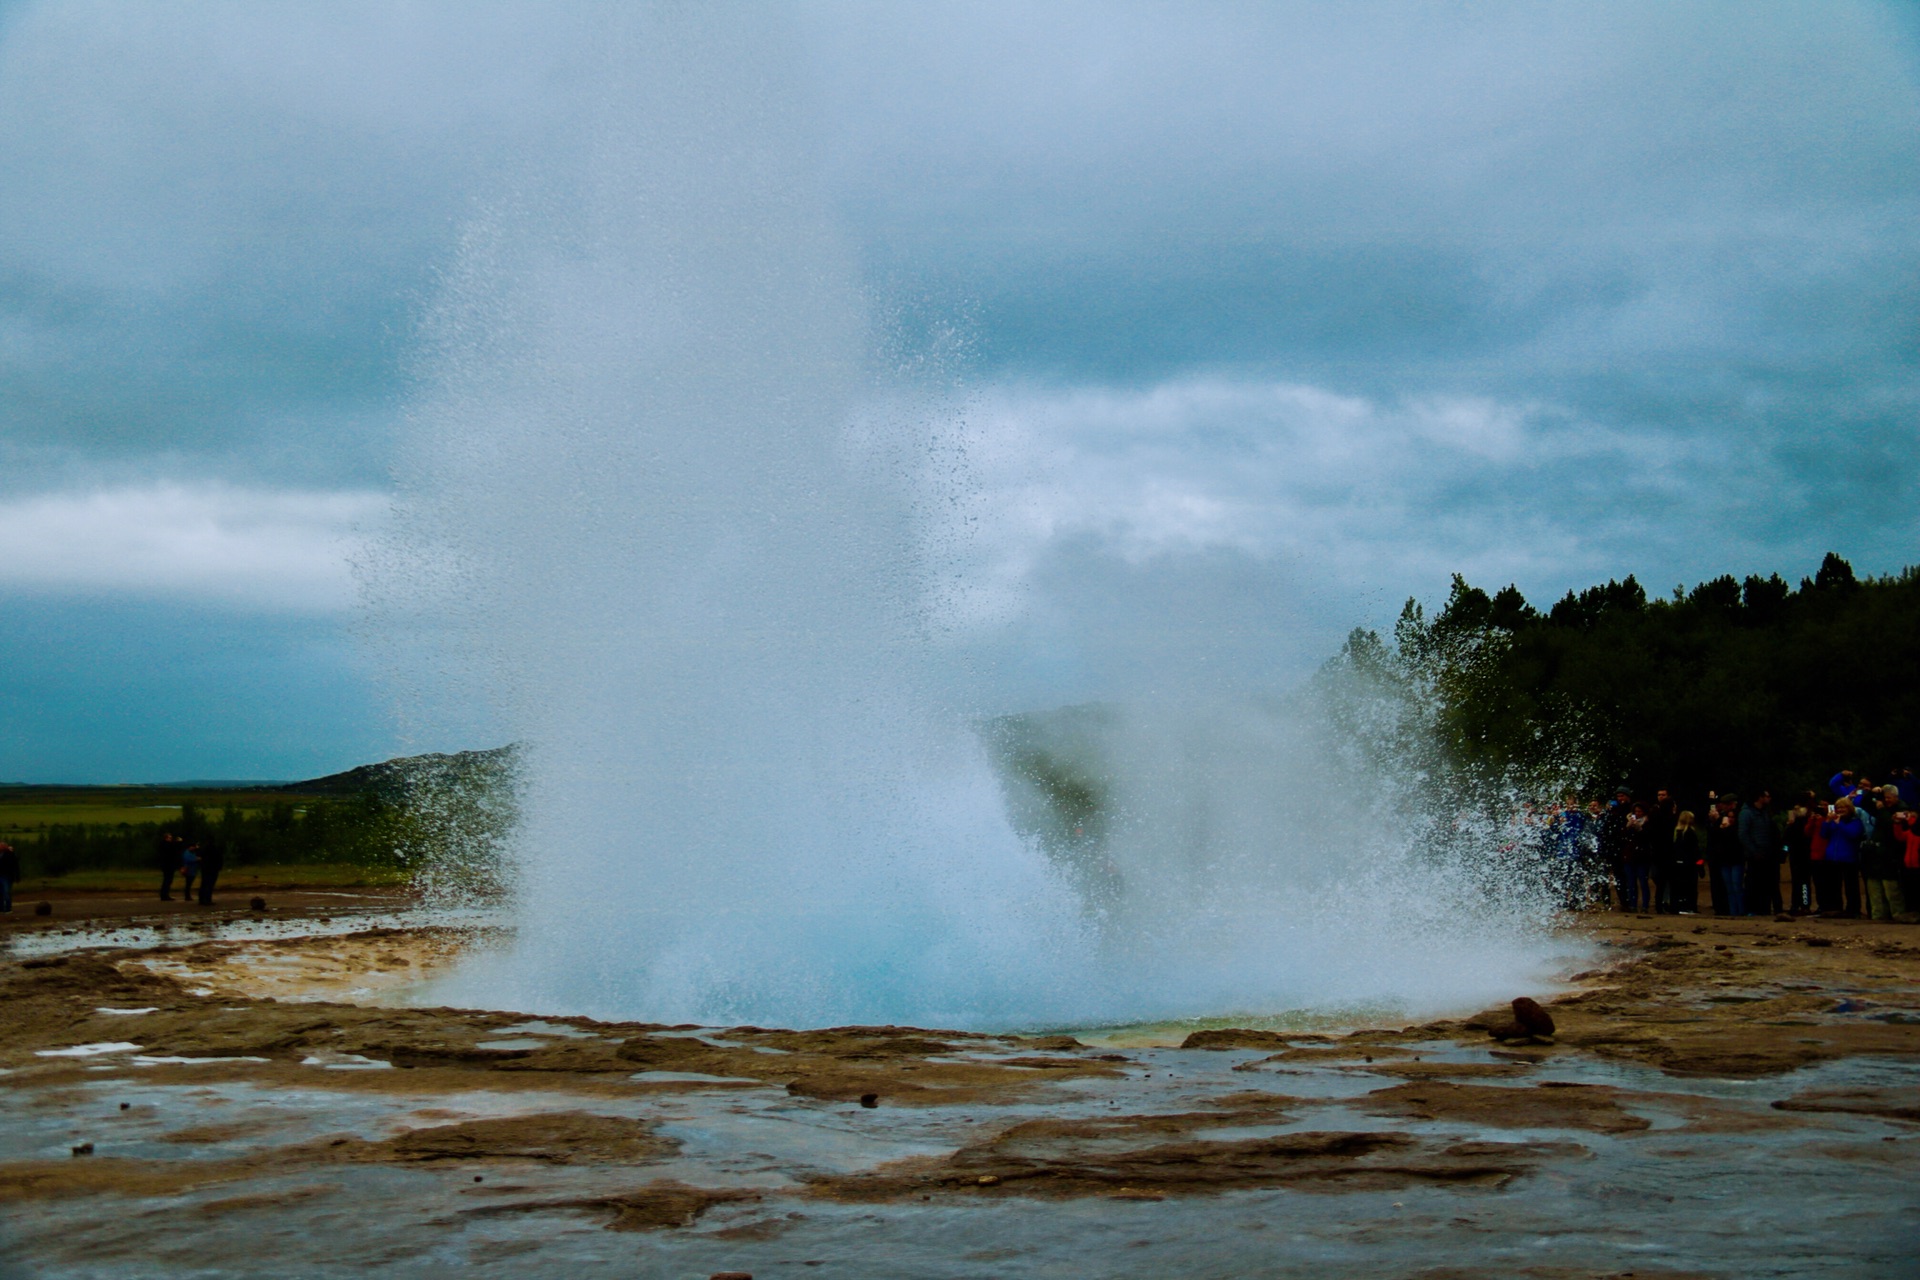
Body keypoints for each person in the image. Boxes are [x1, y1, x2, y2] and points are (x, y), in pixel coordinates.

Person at [1861, 786, 1908, 922]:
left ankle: (1898, 914)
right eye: (1885, 797)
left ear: (1896, 797)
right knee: (1874, 886)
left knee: (1891, 888)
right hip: (1876, 852)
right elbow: (1864, 804)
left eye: (1889, 798)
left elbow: (1891, 824)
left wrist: (1881, 810)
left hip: (1891, 853)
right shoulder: (1882, 807)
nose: (1886, 800)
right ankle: (1878, 915)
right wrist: (1871, 793)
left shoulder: (1901, 808)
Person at [1819, 798, 1865, 918]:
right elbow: (1824, 834)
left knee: (1851, 885)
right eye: (1838, 807)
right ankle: (1835, 907)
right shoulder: (1834, 822)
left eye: (1843, 807)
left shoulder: (1855, 822)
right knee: (1833, 884)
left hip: (1848, 857)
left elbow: (1853, 834)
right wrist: (1827, 821)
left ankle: (1853, 909)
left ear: (1849, 808)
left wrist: (1840, 824)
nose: (1840, 810)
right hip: (1832, 857)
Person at [1738, 790, 1779, 916]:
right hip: (1755, 854)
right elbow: (1743, 834)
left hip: (1766, 853)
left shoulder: (1765, 812)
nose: (1769, 799)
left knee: (1765, 884)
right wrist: (1754, 851)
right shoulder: (1747, 813)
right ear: (1760, 797)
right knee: (1753, 883)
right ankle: (1752, 908)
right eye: (1767, 796)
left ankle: (1763, 908)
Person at [1706, 793, 1745, 917]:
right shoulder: (1722, 820)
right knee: (1728, 887)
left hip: (1734, 857)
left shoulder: (1738, 822)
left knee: (1736, 886)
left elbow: (1734, 838)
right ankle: (1732, 910)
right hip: (1723, 858)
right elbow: (1715, 836)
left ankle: (1740, 910)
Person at [1784, 792, 1817, 914]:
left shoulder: (1796, 815)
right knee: (1804, 880)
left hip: (1798, 850)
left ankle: (1797, 904)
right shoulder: (1810, 814)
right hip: (1804, 849)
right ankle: (1803, 904)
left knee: (1799, 880)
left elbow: (1788, 834)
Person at [1647, 789, 1679, 912]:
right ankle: (1673, 906)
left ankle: (1659, 906)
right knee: (1672, 881)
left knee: (1660, 883)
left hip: (1658, 853)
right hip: (1668, 853)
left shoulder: (1655, 817)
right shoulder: (1670, 819)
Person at [1621, 801, 1653, 912]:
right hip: (1630, 855)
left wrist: (1640, 828)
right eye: (1636, 812)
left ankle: (1645, 905)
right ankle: (1633, 904)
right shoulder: (1629, 822)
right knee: (1631, 882)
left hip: (1642, 856)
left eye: (1640, 811)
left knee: (1643, 882)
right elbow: (1623, 837)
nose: (1638, 813)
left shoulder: (1648, 822)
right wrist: (1628, 827)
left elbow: (1648, 837)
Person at [1669, 811, 1703, 914]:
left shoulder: (1676, 832)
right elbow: (1696, 851)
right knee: (1690, 887)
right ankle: (1689, 906)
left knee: (1678, 887)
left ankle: (1677, 906)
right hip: (1689, 865)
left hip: (1677, 864)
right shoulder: (1690, 833)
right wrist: (1700, 865)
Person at [196, 834, 225, 906]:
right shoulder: (215, 848)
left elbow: (199, 856)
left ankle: (201, 899)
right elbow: (219, 858)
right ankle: (208, 899)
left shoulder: (203, 848)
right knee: (210, 884)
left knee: (204, 883)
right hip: (213, 869)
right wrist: (219, 867)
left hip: (205, 868)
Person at [156, 831, 184, 901]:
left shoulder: (165, 844)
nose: (171, 839)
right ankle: (164, 895)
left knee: (168, 880)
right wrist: (178, 842)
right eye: (169, 838)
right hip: (167, 865)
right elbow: (172, 849)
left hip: (168, 865)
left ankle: (165, 894)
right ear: (166, 838)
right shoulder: (165, 845)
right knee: (167, 880)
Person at [0, 840, 17, 913]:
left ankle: (8, 908)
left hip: (7, 876)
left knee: (6, 892)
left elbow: (14, 865)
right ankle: (1, 908)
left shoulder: (9, 855)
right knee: (1, 892)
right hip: (2, 875)